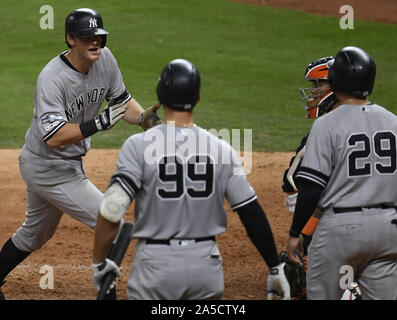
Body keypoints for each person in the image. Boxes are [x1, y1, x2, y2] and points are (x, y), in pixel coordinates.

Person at [91, 58, 290, 300]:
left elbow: (112, 209)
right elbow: (251, 212)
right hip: (205, 266)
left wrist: (100, 263)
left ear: (160, 97)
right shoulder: (221, 149)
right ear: (198, 98)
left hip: (155, 266)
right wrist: (274, 266)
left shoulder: (138, 146)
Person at [0, 8, 161, 300]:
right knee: (109, 220)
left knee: (35, 234)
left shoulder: (106, 60)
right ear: (70, 39)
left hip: (64, 164)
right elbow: (53, 137)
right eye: (87, 37)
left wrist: (145, 121)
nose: (95, 42)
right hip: (45, 165)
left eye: (99, 36)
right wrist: (98, 123)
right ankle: (106, 294)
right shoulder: (52, 78)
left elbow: (122, 102)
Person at [287, 46, 397, 299]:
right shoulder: (393, 122)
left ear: (335, 81)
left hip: (341, 230)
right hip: (388, 229)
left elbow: (311, 189)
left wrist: (297, 235)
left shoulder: (326, 125)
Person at [282, 56, 339, 258]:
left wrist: (297, 233)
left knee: (300, 180)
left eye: (318, 84)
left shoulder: (325, 129)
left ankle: (309, 246)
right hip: (385, 223)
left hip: (343, 224)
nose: (314, 91)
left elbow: (296, 184)